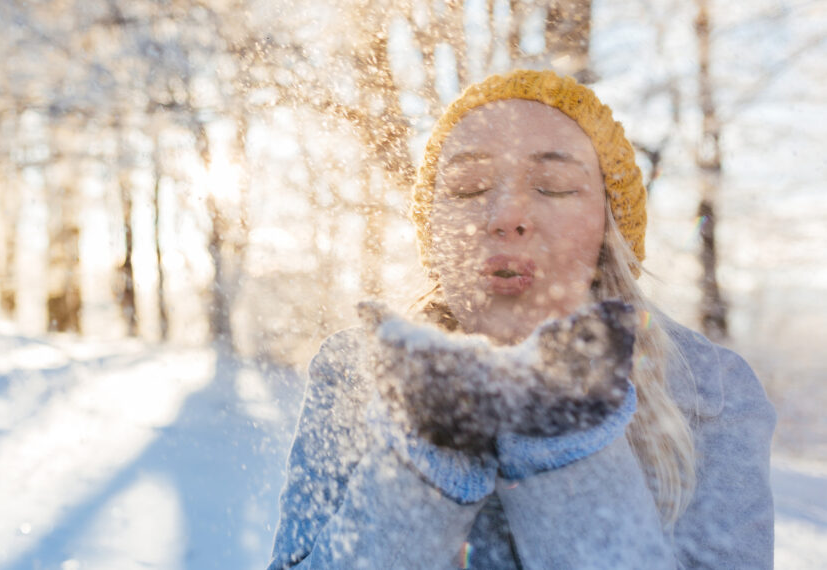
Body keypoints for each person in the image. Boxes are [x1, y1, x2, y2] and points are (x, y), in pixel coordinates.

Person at [266, 69, 776, 569]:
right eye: (467, 188)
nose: (506, 215)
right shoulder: (355, 368)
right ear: (433, 232)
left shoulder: (713, 389)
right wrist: (422, 460)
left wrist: (565, 431)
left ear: (608, 229)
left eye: (553, 186)